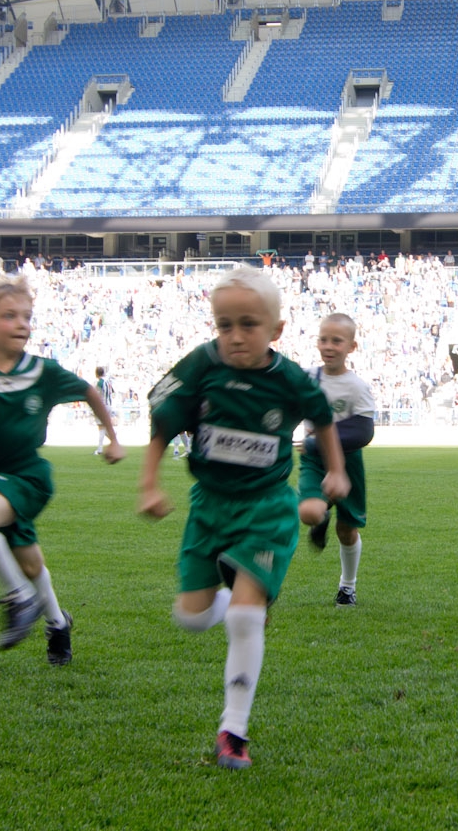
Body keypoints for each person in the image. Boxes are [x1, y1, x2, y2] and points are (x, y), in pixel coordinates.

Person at [137, 267, 350, 771]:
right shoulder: (199, 367)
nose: (235, 335)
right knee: (190, 617)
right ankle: (238, 590)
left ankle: (234, 730)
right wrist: (149, 483)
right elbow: (162, 423)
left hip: (266, 507)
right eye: (224, 324)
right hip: (209, 505)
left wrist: (336, 471)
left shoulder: (292, 378)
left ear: (276, 329)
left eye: (248, 325)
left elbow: (321, 418)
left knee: (244, 618)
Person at [0, 278, 125, 663]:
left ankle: (18, 598)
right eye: (10, 316)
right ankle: (58, 623)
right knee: (31, 563)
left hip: (29, 476)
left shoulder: (42, 371)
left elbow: (90, 392)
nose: (22, 324)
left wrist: (113, 438)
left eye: (27, 317)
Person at [299, 313, 377, 607]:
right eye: (323, 339)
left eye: (336, 341)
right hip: (314, 460)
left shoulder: (356, 386)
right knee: (309, 512)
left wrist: (315, 440)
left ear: (352, 347)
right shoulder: (307, 378)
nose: (328, 346)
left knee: (347, 530)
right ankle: (321, 517)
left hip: (348, 463)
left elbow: (363, 431)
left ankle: (347, 587)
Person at [93, 365, 113, 456]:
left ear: (96, 373)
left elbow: (97, 396)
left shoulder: (100, 383)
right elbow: (111, 392)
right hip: (109, 405)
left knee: (101, 427)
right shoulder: (108, 382)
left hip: (102, 406)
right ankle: (114, 440)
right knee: (104, 427)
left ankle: (100, 449)